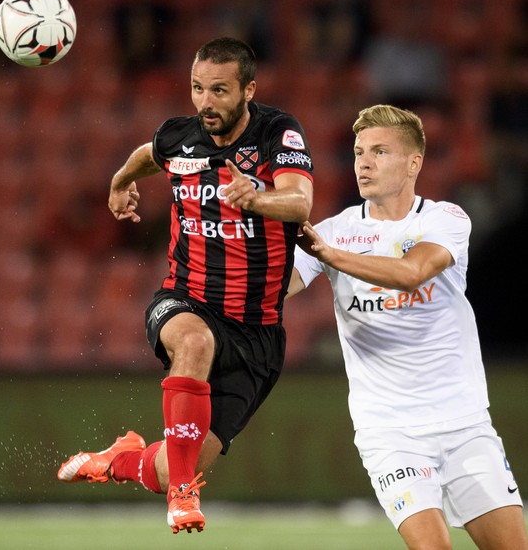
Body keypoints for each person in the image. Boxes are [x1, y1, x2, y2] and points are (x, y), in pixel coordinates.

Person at [57, 37, 314, 534]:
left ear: (248, 90)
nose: (205, 102)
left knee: (173, 461)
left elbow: (299, 203)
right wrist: (119, 180)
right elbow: (148, 155)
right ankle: (182, 494)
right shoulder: (180, 137)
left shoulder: (277, 134)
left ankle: (120, 460)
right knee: (194, 342)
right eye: (198, 88)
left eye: (219, 90)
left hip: (257, 335)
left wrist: (256, 197)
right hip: (185, 300)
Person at [287, 104, 527, 549]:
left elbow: (411, 272)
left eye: (379, 151)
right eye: (359, 151)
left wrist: (328, 255)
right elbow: (275, 288)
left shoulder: (445, 220)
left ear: (413, 162)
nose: (364, 162)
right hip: (390, 432)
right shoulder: (334, 230)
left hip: (464, 425)